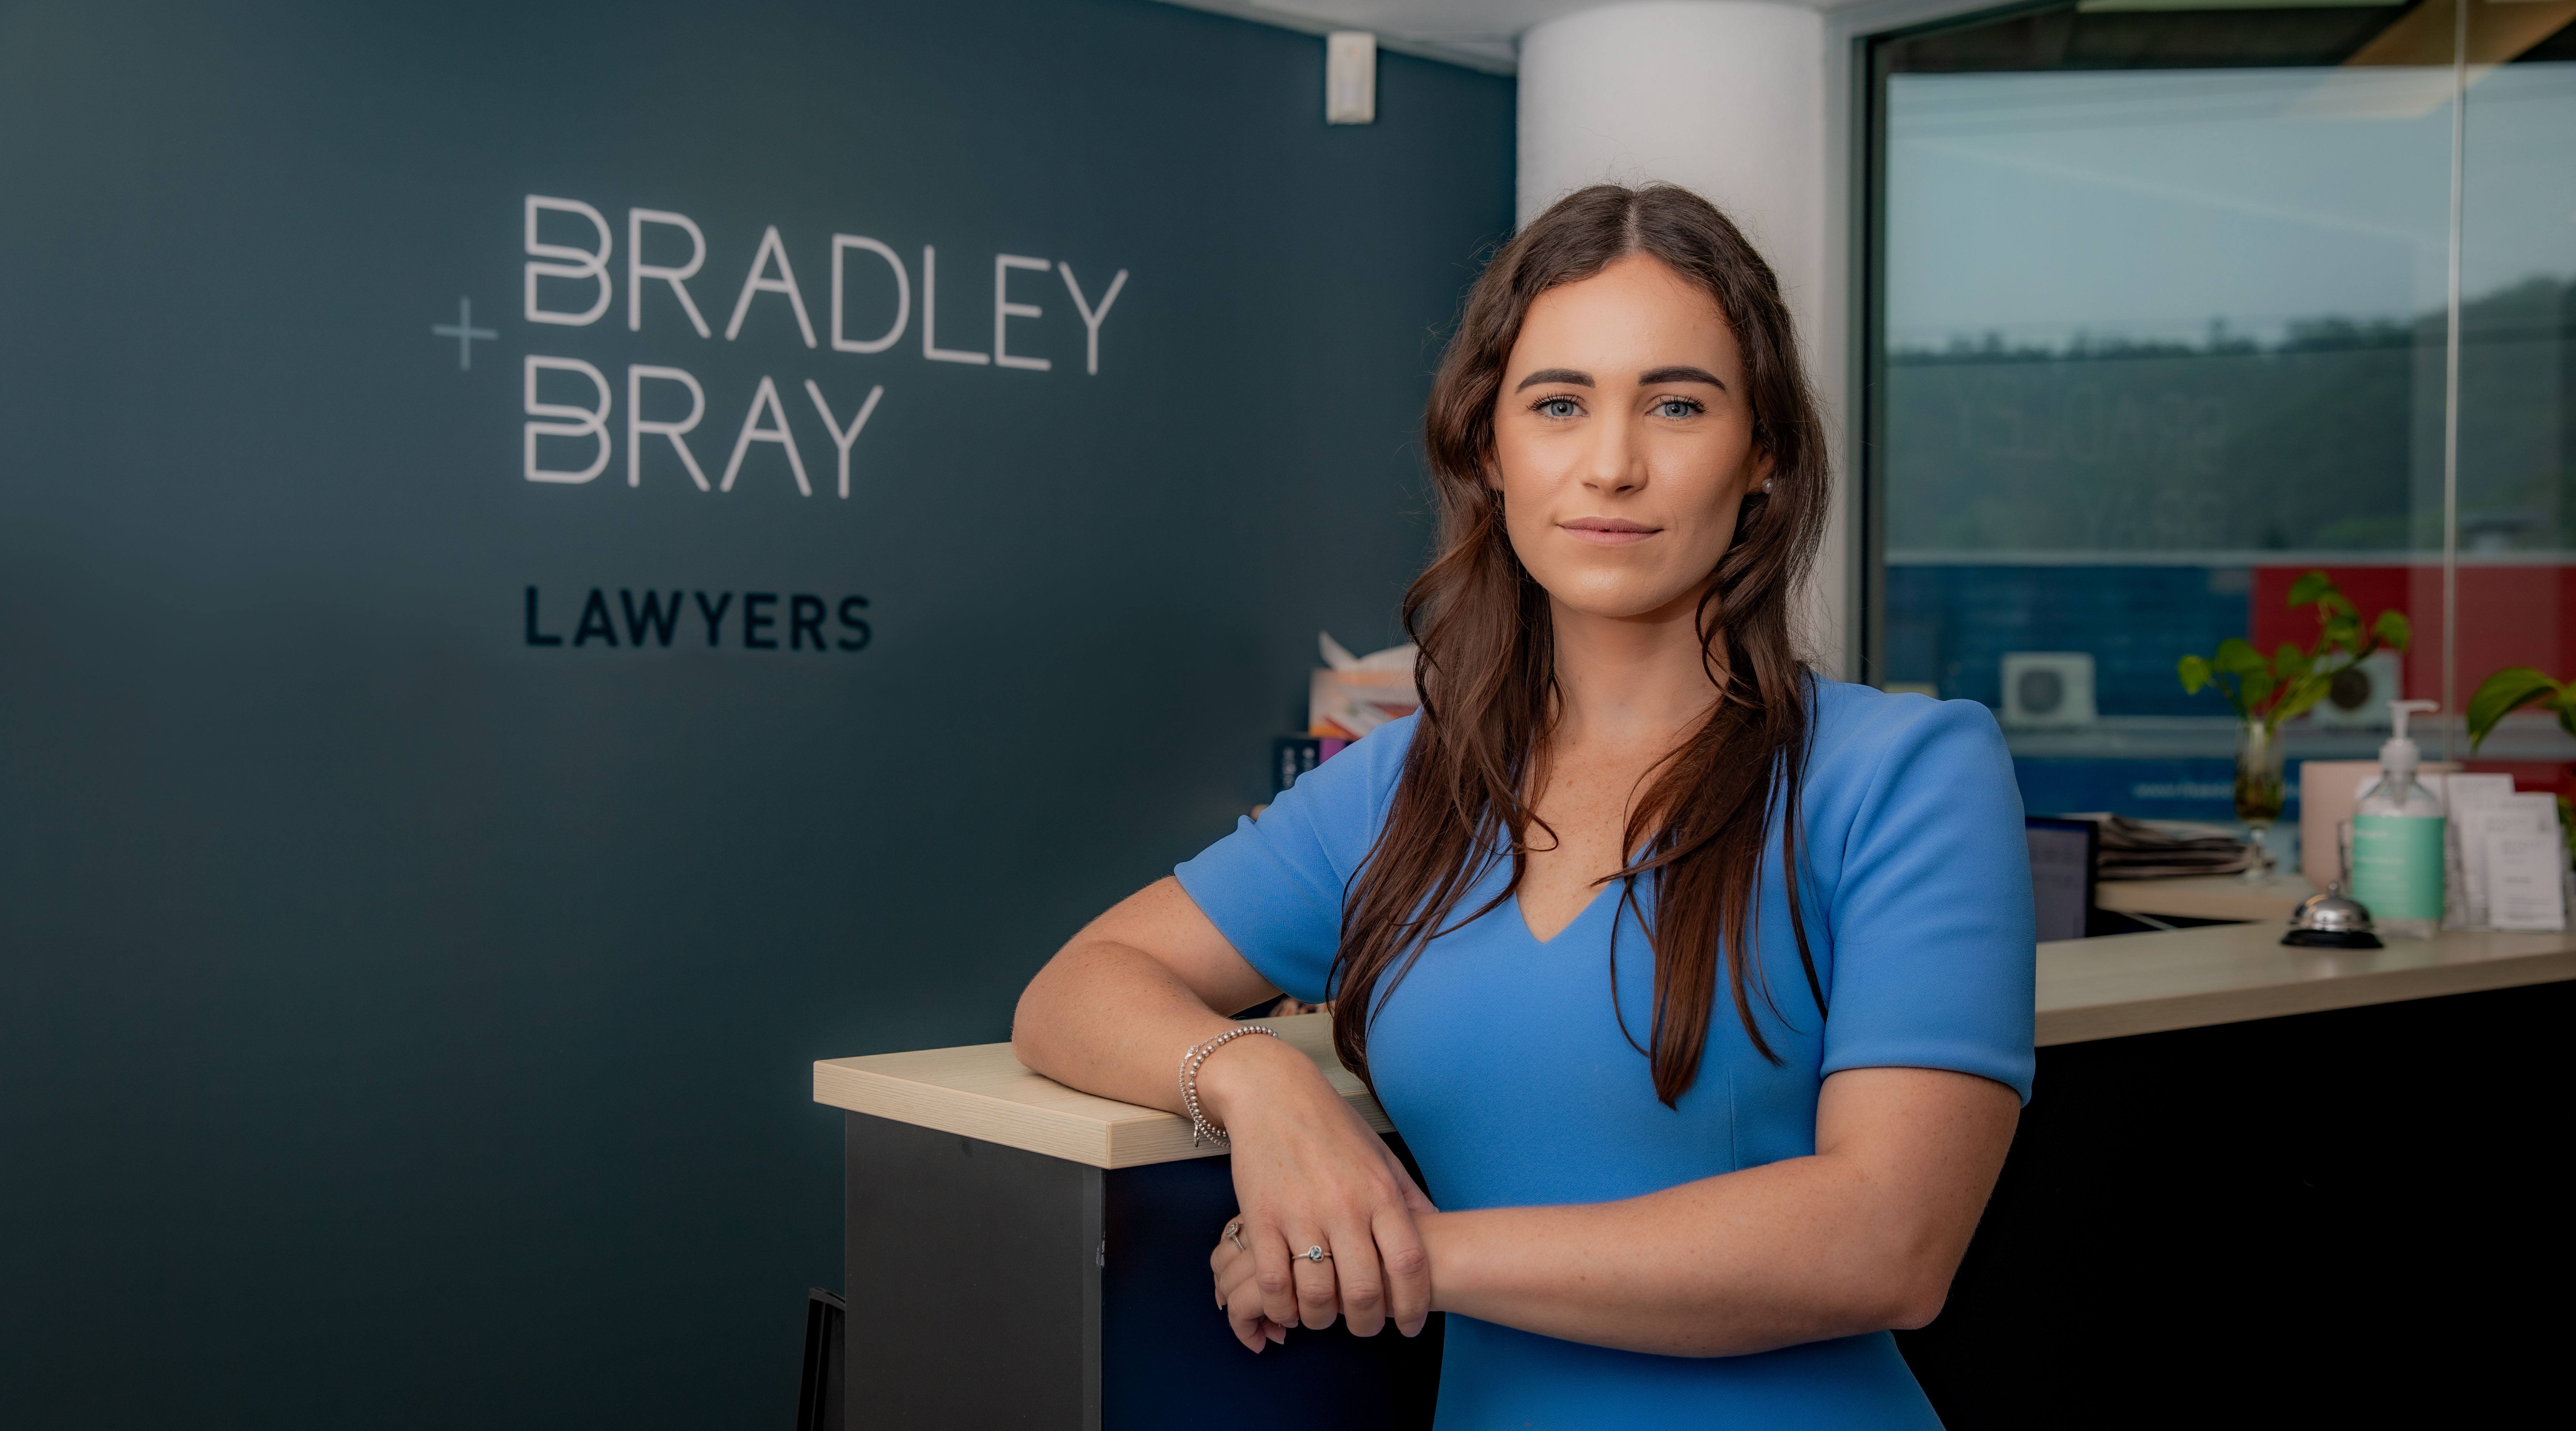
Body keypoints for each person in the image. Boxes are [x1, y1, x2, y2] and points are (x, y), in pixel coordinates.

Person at [1012, 183, 2034, 1428]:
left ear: (1763, 454)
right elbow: (1076, 987)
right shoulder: (1402, 787)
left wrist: (1405, 1253)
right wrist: (1257, 1087)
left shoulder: (1905, 771)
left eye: (1677, 404)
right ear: (1490, 453)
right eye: (1559, 405)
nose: (1613, 463)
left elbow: (1887, 1242)